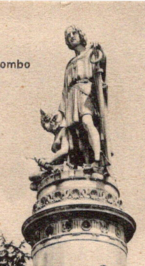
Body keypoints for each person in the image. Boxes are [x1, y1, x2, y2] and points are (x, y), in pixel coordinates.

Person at [59, 26, 105, 168]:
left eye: (74, 33)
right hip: (72, 96)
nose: (71, 36)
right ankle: (86, 162)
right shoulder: (70, 64)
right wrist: (61, 112)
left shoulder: (91, 53)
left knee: (87, 122)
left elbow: (101, 66)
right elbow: (65, 90)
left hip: (86, 92)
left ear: (81, 35)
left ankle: (97, 159)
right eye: (68, 36)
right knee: (77, 133)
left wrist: (99, 49)